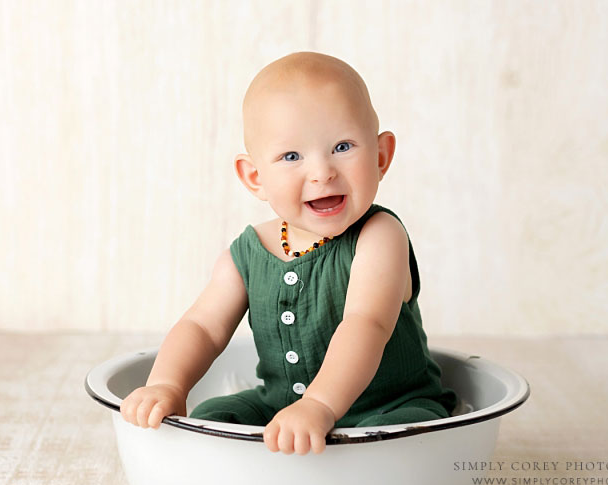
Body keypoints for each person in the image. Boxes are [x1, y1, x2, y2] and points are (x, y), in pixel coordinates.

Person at [120, 51, 456, 455]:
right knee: (212, 418)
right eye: (292, 156)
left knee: (404, 436)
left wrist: (319, 405)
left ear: (381, 156)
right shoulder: (247, 252)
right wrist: (167, 384)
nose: (322, 172)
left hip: (387, 407)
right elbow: (203, 327)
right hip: (284, 409)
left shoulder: (379, 236)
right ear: (255, 177)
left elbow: (365, 325)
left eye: (343, 146)